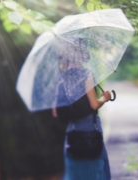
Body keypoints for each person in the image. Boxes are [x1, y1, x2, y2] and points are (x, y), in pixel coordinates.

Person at [52, 37, 112, 180]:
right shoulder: (86, 74)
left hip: (71, 131)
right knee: (94, 168)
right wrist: (105, 98)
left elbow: (55, 111)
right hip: (89, 129)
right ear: (82, 54)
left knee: (74, 171)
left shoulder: (61, 78)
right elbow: (94, 104)